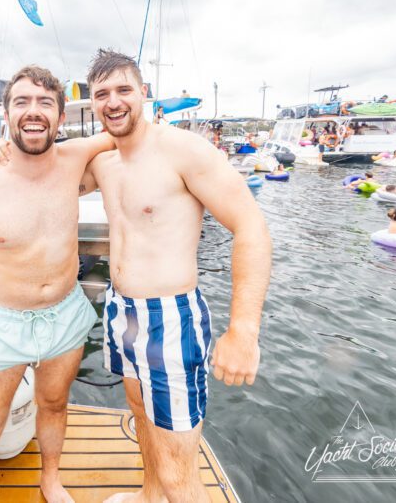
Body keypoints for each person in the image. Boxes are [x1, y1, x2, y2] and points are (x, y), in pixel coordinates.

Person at [81, 49, 271, 502]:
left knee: (178, 471)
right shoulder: (103, 163)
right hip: (120, 310)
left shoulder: (184, 150)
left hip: (171, 318)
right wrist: (1, 149)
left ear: (144, 93)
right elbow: (44, 169)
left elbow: (251, 228)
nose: (114, 102)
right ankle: (149, 499)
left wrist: (243, 331)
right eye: (102, 94)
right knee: (140, 417)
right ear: (92, 103)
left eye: (124, 89)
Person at [0, 66, 116, 503]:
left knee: (54, 405)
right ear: (5, 115)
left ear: (60, 117)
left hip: (66, 314)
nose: (33, 112)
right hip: (0, 325)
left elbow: (125, 129)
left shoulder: (75, 158)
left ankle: (50, 481)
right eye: (22, 103)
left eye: (44, 103)